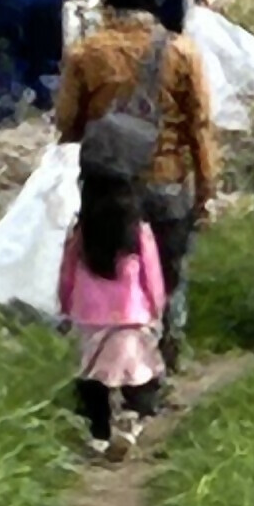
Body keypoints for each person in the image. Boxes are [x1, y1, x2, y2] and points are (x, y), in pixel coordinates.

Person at [55, 0, 220, 374]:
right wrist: (206, 190)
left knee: (113, 277)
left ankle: (109, 365)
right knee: (169, 275)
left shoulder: (84, 54)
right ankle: (166, 358)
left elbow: (68, 125)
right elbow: (200, 127)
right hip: (167, 180)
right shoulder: (182, 51)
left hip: (106, 184)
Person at [55, 144, 170, 463]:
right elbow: (152, 275)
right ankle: (131, 422)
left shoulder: (82, 233)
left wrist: (65, 305)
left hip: (90, 314)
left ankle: (99, 435)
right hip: (132, 312)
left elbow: (66, 273)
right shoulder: (137, 230)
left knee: (93, 376)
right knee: (140, 371)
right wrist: (157, 307)